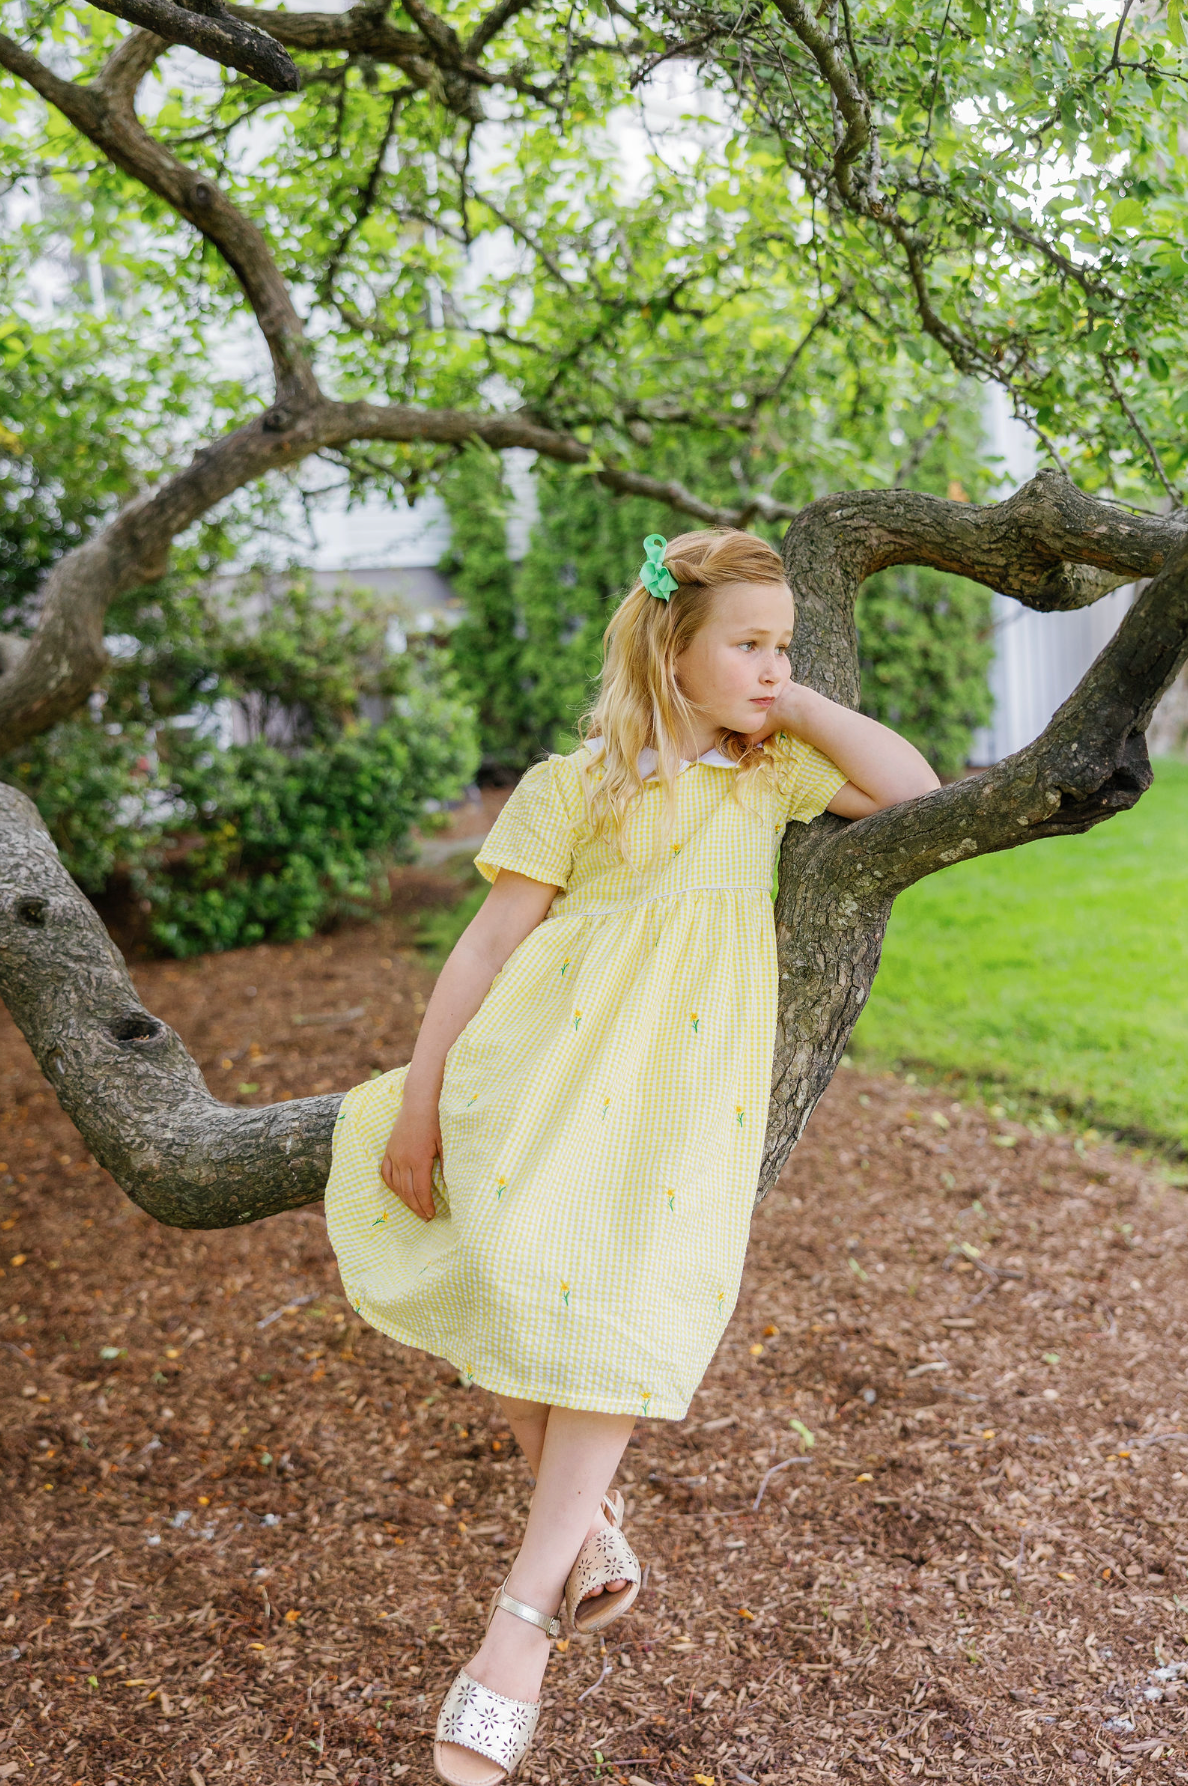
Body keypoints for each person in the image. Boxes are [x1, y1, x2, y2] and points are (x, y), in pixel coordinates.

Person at [323, 527, 940, 1783]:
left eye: (785, 648)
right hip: (541, 1069)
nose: (774, 667)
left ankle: (519, 1626)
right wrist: (427, 1099)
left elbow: (919, 792)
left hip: (677, 1098)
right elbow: (487, 951)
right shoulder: (576, 782)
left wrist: (802, 698)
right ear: (673, 645)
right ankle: (589, 1529)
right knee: (495, 1262)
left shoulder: (768, 775)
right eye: (751, 647)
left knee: (616, 1308)